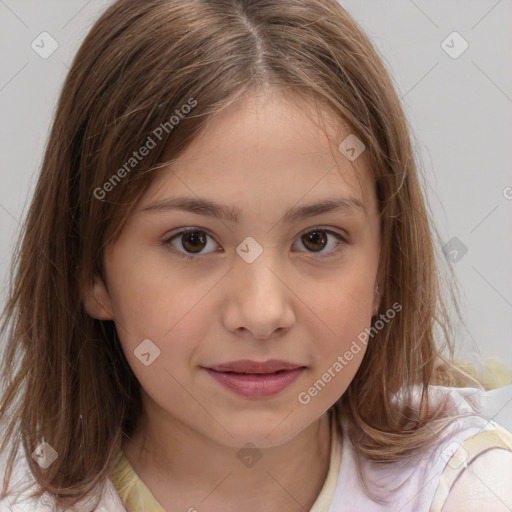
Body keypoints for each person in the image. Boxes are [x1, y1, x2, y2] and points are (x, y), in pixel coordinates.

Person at [1, 0, 511, 511]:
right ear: (91, 270)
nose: (263, 313)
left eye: (316, 240)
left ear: (384, 268)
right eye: (193, 241)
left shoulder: (470, 492)